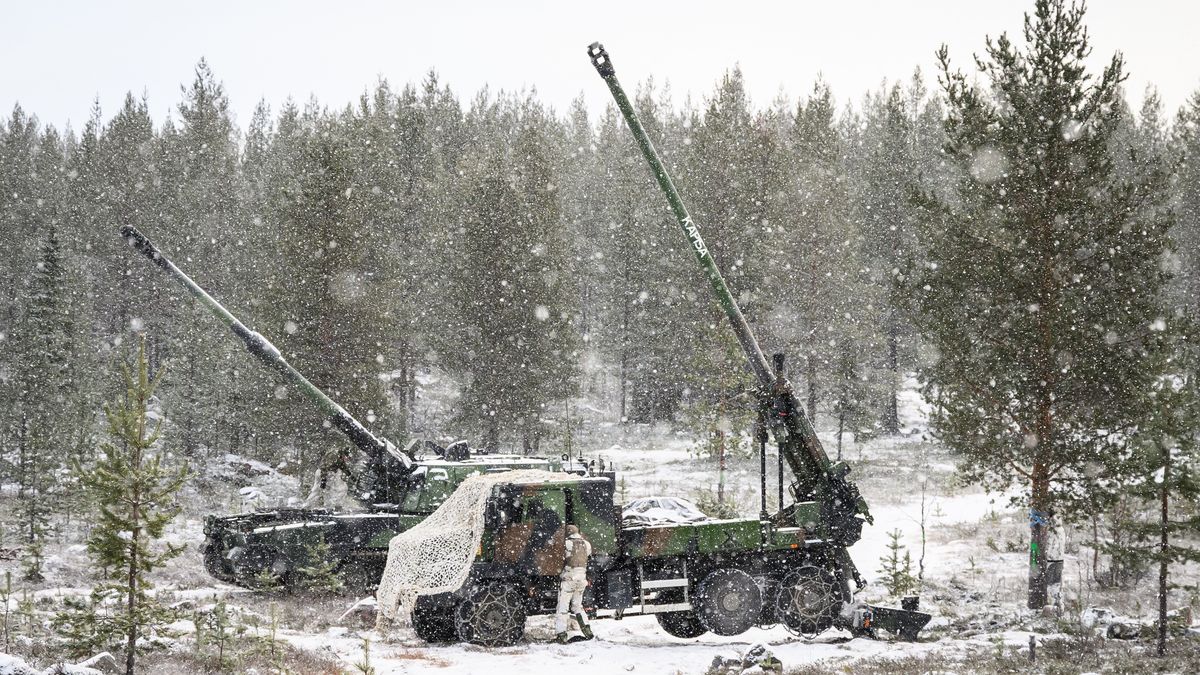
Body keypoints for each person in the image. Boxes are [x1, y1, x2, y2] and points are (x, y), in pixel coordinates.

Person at [555, 524, 593, 644]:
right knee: (577, 606)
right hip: (582, 578)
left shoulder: (567, 543)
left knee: (562, 608)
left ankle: (562, 635)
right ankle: (587, 631)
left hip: (569, 578)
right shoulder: (586, 544)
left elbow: (562, 559)